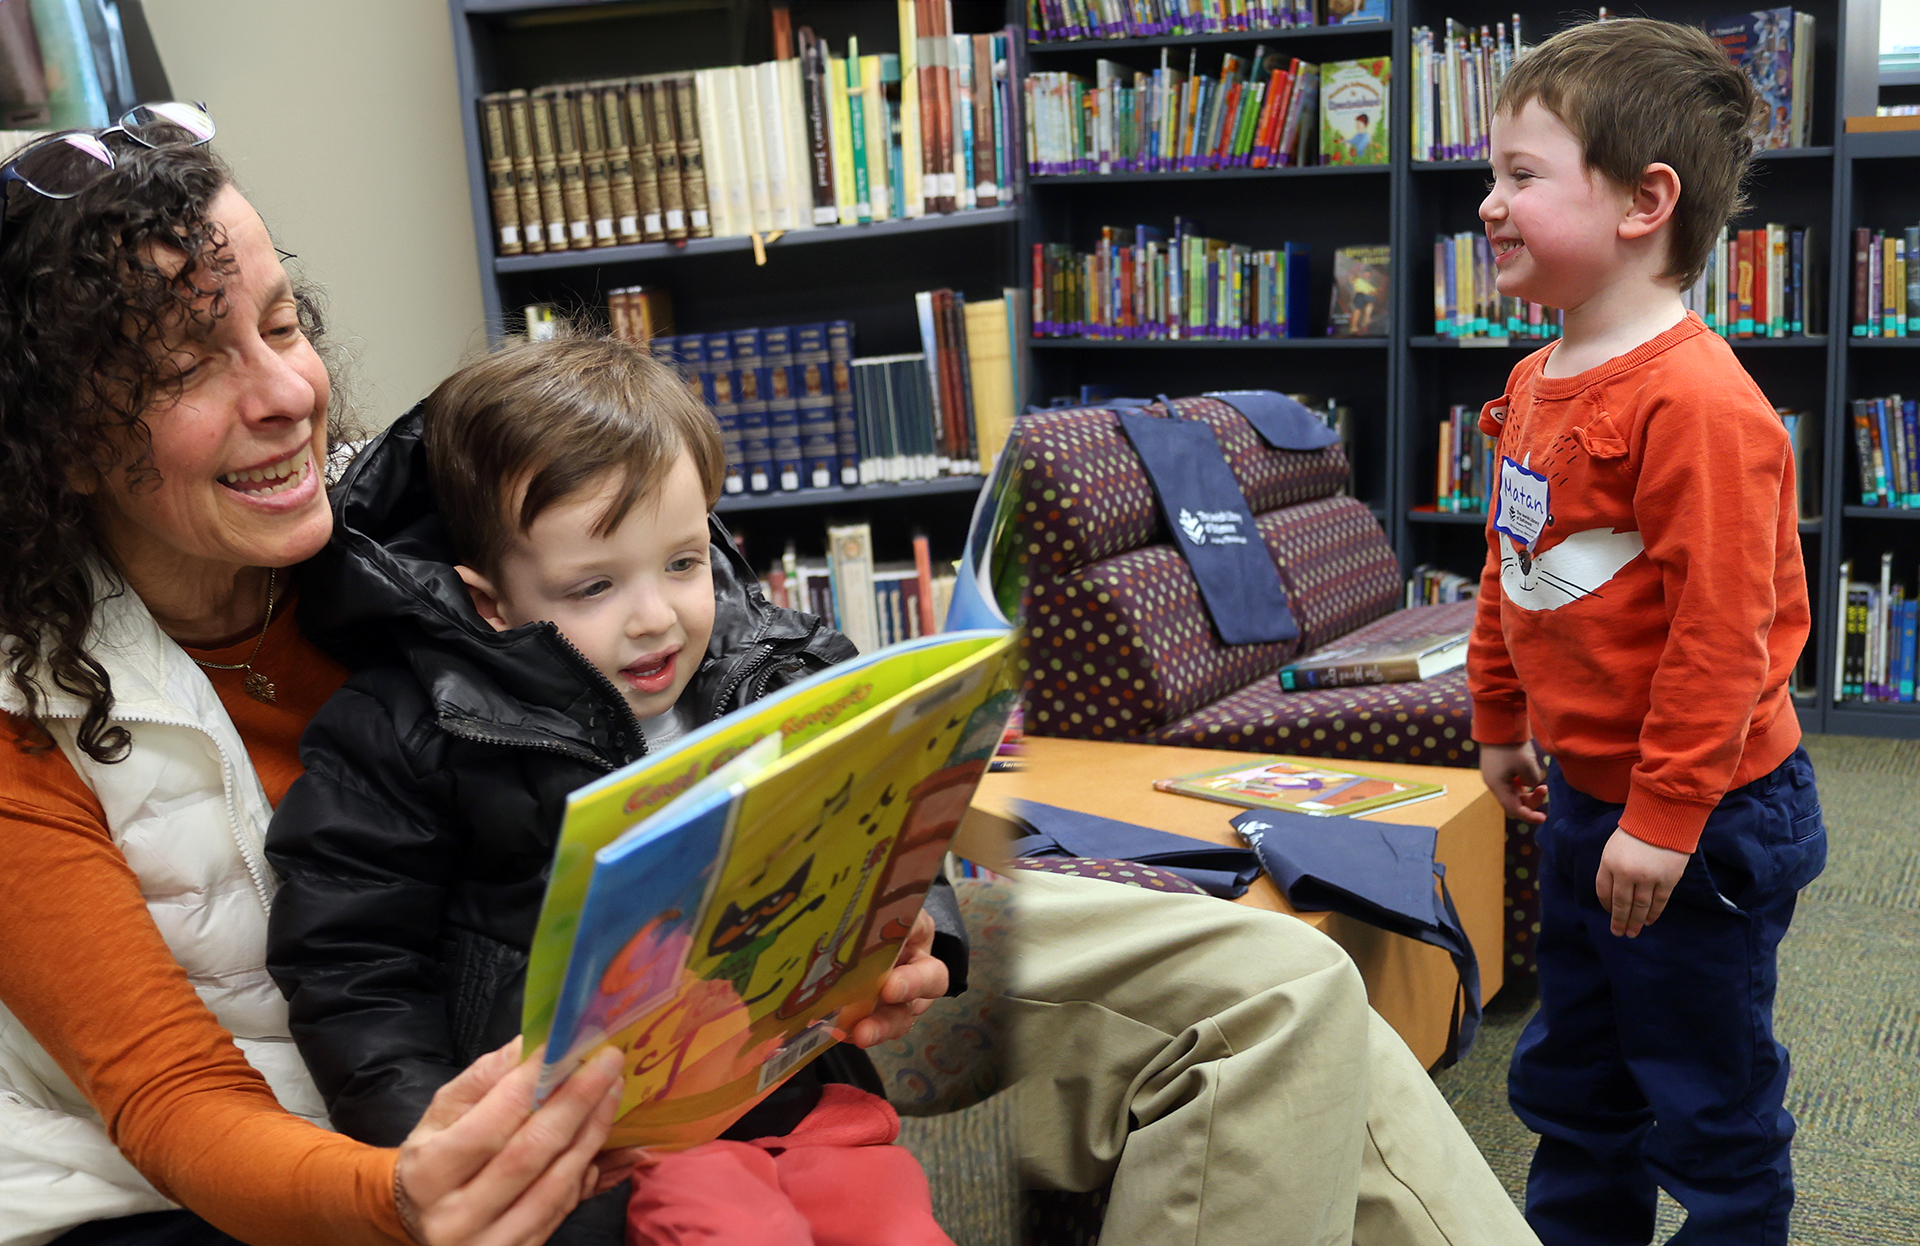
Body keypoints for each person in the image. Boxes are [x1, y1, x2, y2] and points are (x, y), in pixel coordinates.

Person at [0, 125, 941, 1246]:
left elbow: (733, 638)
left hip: (625, 1081)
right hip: (230, 1185)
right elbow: (176, 1093)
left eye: (285, 323)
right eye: (186, 364)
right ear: (56, 437)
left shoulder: (429, 514)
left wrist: (881, 913)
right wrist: (407, 1184)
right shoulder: (28, 708)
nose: (289, 393)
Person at [262, 332, 962, 1245]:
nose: (656, 616)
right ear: (492, 600)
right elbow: (352, 965)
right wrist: (442, 1146)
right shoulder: (406, 728)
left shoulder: (782, 669)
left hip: (800, 1096)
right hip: (607, 1146)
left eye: (683, 562)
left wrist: (916, 924)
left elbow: (889, 817)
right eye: (593, 586)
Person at [1468, 20, 1826, 1245]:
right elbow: (1511, 566)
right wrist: (1500, 718)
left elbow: (1729, 639)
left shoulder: (1700, 402)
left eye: (1522, 175)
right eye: (1493, 174)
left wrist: (1665, 819)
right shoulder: (1532, 380)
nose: (1488, 203)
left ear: (1644, 201)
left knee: (1708, 1098)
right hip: (1585, 797)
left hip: (1707, 815)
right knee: (1576, 1080)